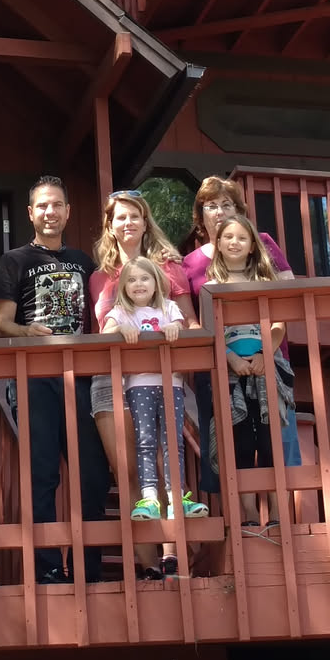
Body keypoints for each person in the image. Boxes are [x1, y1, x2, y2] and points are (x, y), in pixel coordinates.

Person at [0, 175, 114, 584]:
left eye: (57, 204)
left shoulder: (84, 262)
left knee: (92, 474)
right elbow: (1, 323)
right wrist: (27, 331)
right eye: (42, 205)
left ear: (68, 211)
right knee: (42, 474)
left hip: (81, 377)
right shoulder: (14, 260)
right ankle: (47, 568)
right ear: (30, 213)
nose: (50, 212)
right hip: (34, 378)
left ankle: (87, 568)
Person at [86, 190, 192, 500]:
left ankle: (173, 533)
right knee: (128, 472)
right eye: (120, 217)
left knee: (162, 463)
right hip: (108, 377)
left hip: (157, 374)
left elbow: (189, 322)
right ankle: (140, 534)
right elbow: (98, 329)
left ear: (146, 223)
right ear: (110, 226)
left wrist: (182, 364)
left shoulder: (168, 268)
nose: (128, 222)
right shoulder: (98, 277)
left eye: (135, 216)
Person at [198, 213, 301, 531]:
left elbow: (279, 323)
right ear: (218, 243)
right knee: (240, 445)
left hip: (266, 367)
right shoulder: (210, 287)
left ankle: (277, 514)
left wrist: (263, 354)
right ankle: (248, 515)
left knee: (272, 442)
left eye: (242, 238)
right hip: (230, 372)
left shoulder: (266, 283)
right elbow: (210, 331)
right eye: (228, 237)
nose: (235, 242)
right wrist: (231, 359)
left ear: (253, 246)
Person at [102, 259, 205, 555]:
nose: (139, 285)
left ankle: (177, 497)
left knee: (172, 442)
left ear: (157, 283)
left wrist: (174, 328)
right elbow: (106, 332)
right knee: (146, 441)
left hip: (171, 382)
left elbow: (180, 326)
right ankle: (149, 497)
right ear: (123, 287)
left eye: (145, 279)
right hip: (139, 383)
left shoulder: (168, 307)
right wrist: (121, 328)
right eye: (132, 280)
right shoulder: (121, 311)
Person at [180, 175, 296, 289]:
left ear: (237, 211)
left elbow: (289, 288)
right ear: (201, 215)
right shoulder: (189, 263)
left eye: (226, 205)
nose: (220, 212)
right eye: (212, 206)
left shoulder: (261, 241)